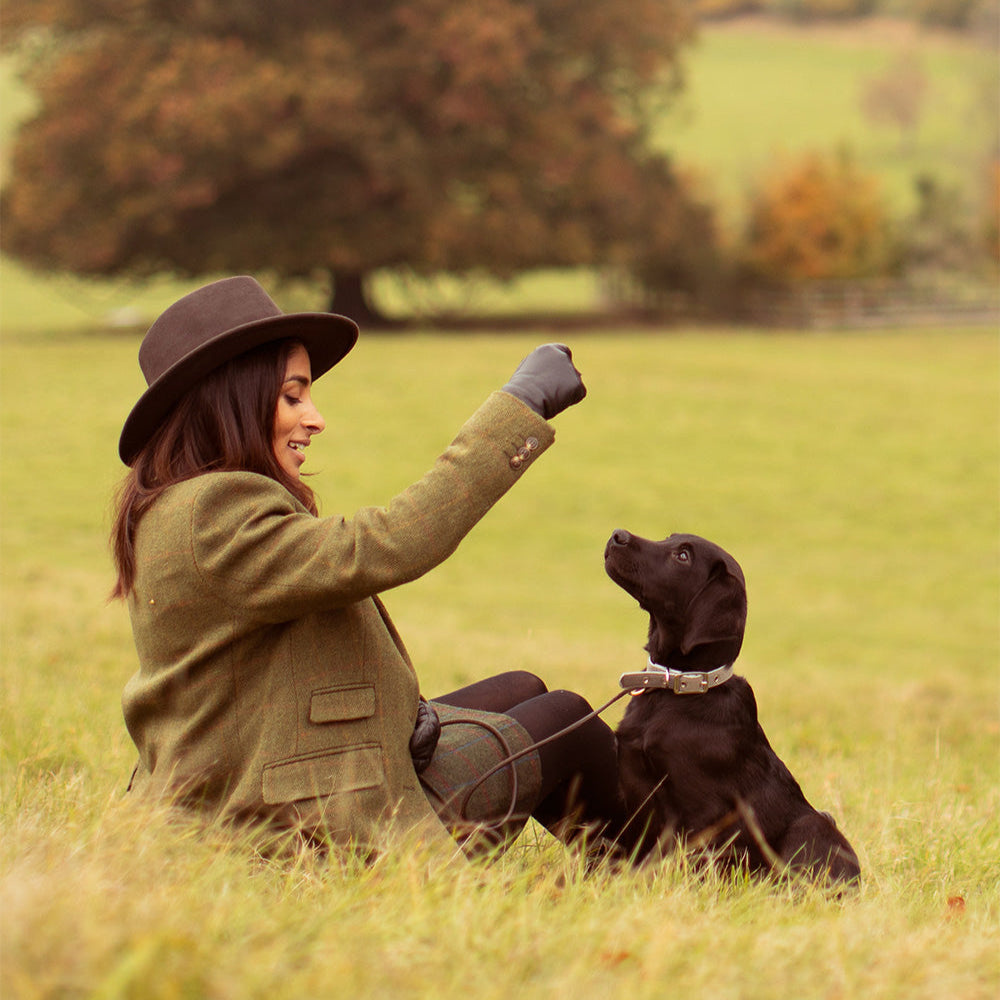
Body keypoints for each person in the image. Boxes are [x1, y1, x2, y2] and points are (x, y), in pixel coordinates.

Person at [112, 276, 626, 860]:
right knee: (566, 718)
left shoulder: (173, 507)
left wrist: (401, 715)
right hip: (301, 824)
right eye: (292, 396)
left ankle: (610, 865)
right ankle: (667, 870)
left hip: (262, 779)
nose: (315, 418)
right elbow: (384, 545)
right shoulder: (213, 510)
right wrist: (519, 405)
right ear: (229, 399)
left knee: (523, 689)